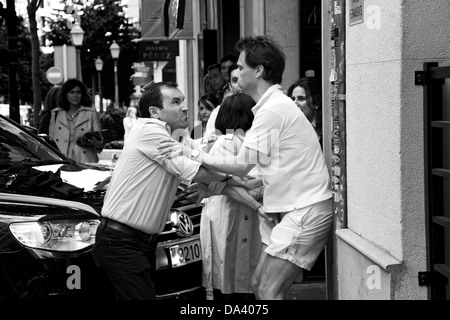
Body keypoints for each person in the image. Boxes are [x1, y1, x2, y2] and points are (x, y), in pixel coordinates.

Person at [157, 35, 333, 300]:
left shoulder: (273, 108)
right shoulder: (270, 107)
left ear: (259, 70)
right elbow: (251, 179)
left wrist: (190, 151)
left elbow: (240, 166)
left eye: (240, 67)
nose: (235, 72)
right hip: (294, 212)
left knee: (266, 290)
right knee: (258, 284)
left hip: (305, 211)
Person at [90, 81, 265, 300]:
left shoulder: (178, 135)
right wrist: (241, 181)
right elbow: (198, 170)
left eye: (183, 101)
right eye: (175, 102)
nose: (184, 107)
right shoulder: (149, 131)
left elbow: (203, 159)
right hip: (120, 242)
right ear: (155, 112)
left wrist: (212, 157)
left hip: (141, 243)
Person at [200, 93, 263, 301]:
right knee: (235, 277)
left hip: (233, 214)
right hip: (231, 214)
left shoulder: (242, 142)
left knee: (234, 279)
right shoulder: (228, 141)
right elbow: (223, 181)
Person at [49, 78, 104, 163]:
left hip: (85, 162)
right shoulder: (56, 114)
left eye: (78, 92)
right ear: (65, 95)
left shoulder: (91, 113)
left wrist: (99, 145)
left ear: (82, 95)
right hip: (61, 162)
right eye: (72, 92)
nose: (75, 96)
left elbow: (99, 142)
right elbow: (51, 142)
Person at [287, 77, 323, 144]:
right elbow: (269, 153)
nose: (295, 103)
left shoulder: (327, 132)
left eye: (301, 99)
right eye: (293, 99)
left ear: (316, 102)